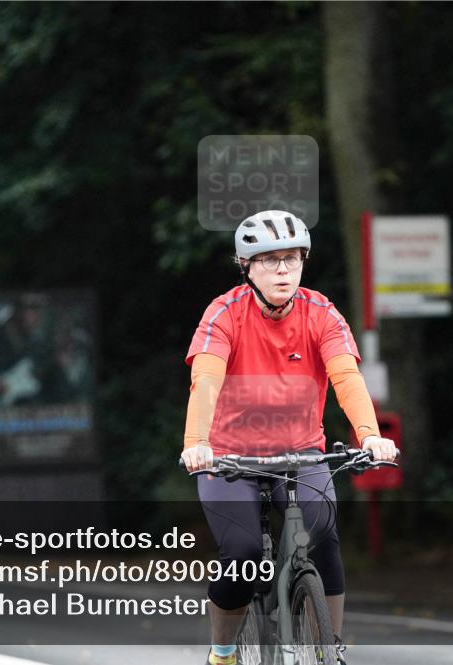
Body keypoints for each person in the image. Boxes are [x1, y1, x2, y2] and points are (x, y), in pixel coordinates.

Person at [181, 211, 399, 665]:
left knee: (322, 535)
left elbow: (346, 377)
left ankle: (329, 645)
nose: (283, 270)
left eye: (292, 259)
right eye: (270, 260)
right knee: (241, 555)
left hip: (300, 455)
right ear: (246, 266)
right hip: (229, 460)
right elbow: (206, 381)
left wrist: (370, 436)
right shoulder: (224, 313)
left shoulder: (321, 313)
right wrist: (197, 441)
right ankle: (223, 651)